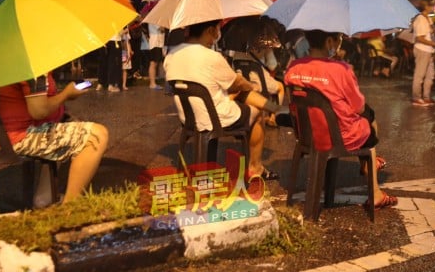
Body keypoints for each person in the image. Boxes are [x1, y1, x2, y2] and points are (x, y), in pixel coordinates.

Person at [284, 29, 397, 210]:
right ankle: (374, 188)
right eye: (339, 39)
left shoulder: (294, 67)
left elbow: (293, 101)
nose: (339, 43)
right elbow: (358, 107)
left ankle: (369, 163)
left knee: (364, 120)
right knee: (368, 122)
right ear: (330, 41)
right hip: (339, 135)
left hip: (307, 134)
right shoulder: (341, 69)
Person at [164, 19, 280, 180]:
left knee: (239, 94)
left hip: (188, 117)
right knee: (256, 113)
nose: (218, 34)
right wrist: (250, 85)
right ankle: (255, 167)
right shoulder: (212, 57)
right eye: (218, 30)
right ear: (210, 30)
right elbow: (236, 84)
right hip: (215, 117)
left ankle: (274, 109)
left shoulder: (171, 55)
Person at [0, 71, 109, 204]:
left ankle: (43, 199)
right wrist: (66, 94)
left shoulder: (16, 62)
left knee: (68, 127)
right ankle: (70, 207)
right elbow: (39, 111)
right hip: (20, 136)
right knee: (97, 135)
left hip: (7, 132)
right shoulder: (33, 67)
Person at [411, 0, 435, 106]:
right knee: (420, 74)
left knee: (430, 75)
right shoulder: (420, 19)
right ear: (426, 6)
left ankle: (426, 96)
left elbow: (430, 34)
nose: (432, 7)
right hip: (422, 49)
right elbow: (420, 37)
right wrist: (433, 43)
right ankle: (416, 98)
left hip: (430, 50)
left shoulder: (428, 18)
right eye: (431, 5)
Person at [147, 23, 165, 90]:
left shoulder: (158, 19)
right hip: (155, 43)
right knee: (153, 63)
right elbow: (161, 28)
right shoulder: (155, 20)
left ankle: (153, 82)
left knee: (155, 63)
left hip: (158, 43)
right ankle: (152, 83)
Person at [121, 26, 133, 90]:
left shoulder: (126, 31)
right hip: (120, 51)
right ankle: (118, 83)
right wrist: (123, 32)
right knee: (119, 68)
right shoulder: (119, 30)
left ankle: (124, 84)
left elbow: (128, 42)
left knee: (125, 69)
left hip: (126, 52)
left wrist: (130, 50)